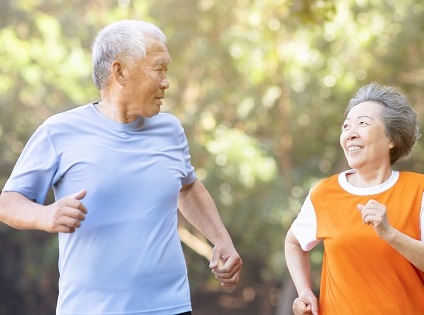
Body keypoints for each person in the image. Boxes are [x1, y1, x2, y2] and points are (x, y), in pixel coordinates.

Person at [0, 20, 242, 315]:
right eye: (159, 69)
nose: (166, 82)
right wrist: (45, 215)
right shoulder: (59, 131)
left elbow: (188, 187)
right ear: (120, 71)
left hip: (170, 307)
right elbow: (8, 202)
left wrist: (222, 240)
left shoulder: (170, 129)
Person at [284, 82, 424, 315]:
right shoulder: (324, 193)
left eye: (363, 123)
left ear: (391, 139)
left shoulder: (422, 189)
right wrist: (304, 291)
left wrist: (390, 233)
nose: (350, 133)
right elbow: (293, 243)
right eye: (346, 127)